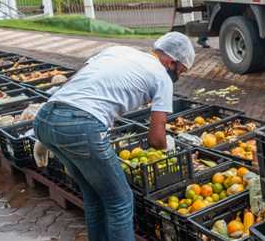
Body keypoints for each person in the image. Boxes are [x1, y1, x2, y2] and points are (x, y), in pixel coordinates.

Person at [32, 32, 195, 241]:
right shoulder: (162, 77)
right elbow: (156, 138)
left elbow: (75, 83)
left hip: (46, 117)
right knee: (121, 201)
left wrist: (47, 133)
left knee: (94, 197)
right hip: (82, 127)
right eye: (180, 70)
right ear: (171, 62)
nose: (179, 76)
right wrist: (168, 148)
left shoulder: (117, 51)